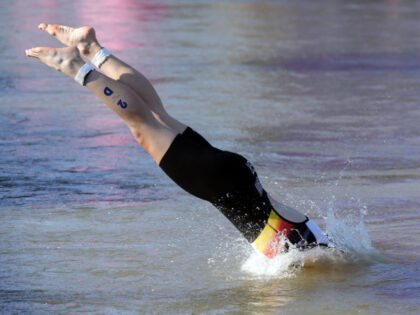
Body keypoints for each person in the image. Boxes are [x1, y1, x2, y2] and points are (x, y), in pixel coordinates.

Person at [26, 24, 331, 259]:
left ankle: (90, 47)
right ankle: (75, 66)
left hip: (237, 174)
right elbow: (311, 267)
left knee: (157, 115)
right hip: (220, 183)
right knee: (142, 127)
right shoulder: (315, 259)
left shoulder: (315, 239)